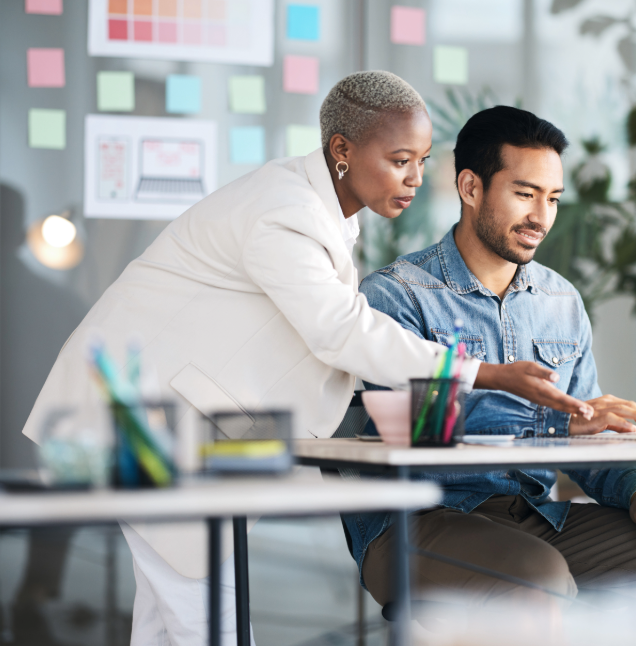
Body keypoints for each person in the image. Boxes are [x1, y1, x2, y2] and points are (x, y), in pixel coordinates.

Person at [21, 73, 595, 645]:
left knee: (170, 622)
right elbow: (339, 330)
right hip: (133, 422)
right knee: (211, 624)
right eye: (400, 160)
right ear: (342, 150)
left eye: (421, 160)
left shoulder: (323, 213)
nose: (416, 179)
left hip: (165, 424)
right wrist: (487, 374)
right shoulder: (285, 211)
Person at [347, 106, 636, 611]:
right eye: (525, 194)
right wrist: (556, 425)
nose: (541, 217)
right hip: (417, 519)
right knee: (537, 575)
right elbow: (421, 438)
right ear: (470, 188)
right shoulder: (397, 296)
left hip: (534, 516)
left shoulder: (561, 301)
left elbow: (589, 434)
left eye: (552, 199)